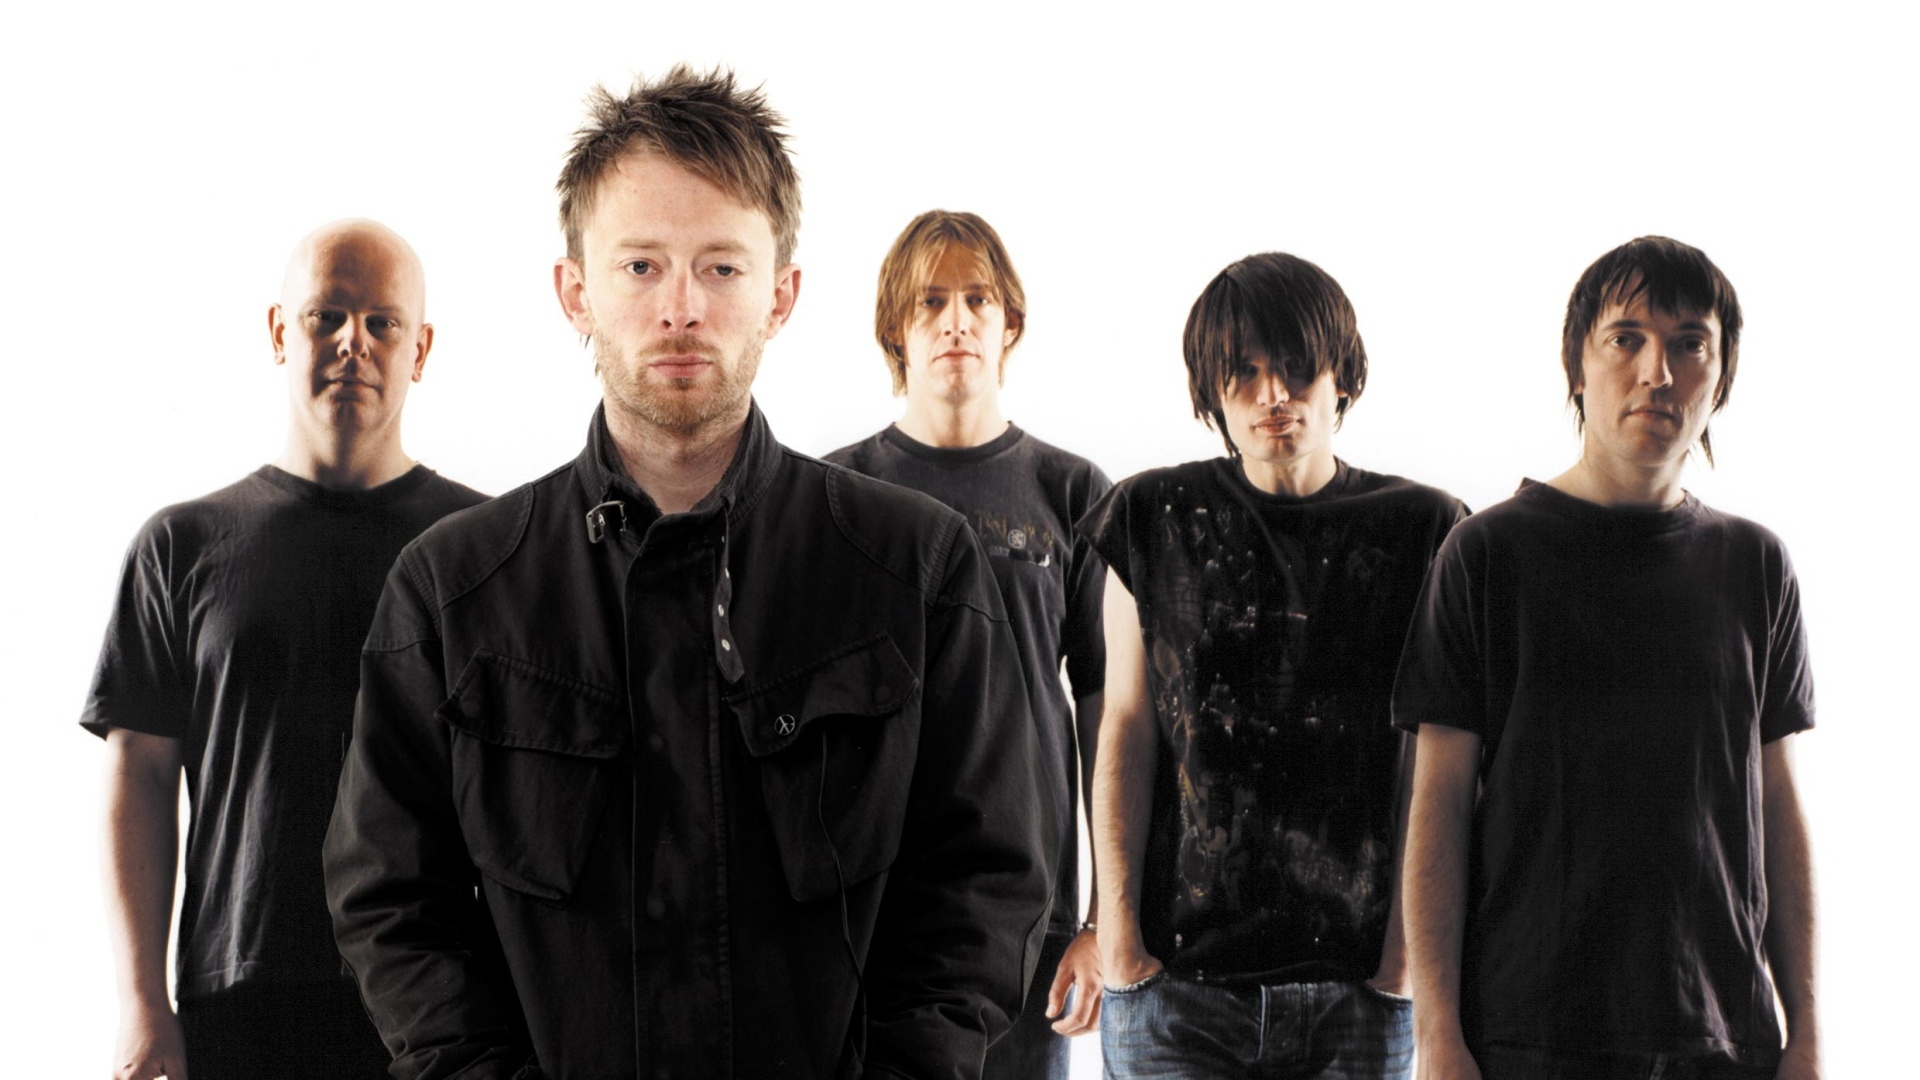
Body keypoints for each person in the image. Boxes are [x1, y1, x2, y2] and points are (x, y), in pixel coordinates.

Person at [323, 67, 1052, 1080]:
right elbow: (392, 900)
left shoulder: (916, 569)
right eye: (640, 266)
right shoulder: (451, 591)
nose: (680, 309)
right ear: (575, 291)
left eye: (721, 267)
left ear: (781, 295)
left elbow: (983, 884)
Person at [1396, 236, 1821, 1080]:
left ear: (1721, 377)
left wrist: (1806, 1029)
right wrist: (1436, 1035)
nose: (1657, 372)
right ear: (1578, 365)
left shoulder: (1756, 565)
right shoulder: (1486, 555)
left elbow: (1775, 805)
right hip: (1529, 1034)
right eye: (1626, 338)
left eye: (1690, 344)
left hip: (1722, 1037)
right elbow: (1437, 804)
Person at [86, 219, 485, 1080]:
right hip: (242, 1003)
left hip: (439, 1001)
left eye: (382, 323)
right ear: (279, 332)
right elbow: (140, 780)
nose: (353, 343)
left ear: (420, 349)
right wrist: (141, 1004)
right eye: (325, 317)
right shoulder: (180, 548)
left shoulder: (485, 550)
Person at [1084, 252, 1466, 1079]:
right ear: (1211, 390)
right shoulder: (1151, 517)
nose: (1272, 396)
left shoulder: (1425, 530)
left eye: (1296, 369)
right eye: (1245, 373)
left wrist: (1402, 959)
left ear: (1342, 377)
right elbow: (1126, 727)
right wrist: (1117, 939)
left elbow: (1431, 758)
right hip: (1177, 987)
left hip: (1356, 988)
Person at [826, 210, 1111, 1076]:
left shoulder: (1072, 492)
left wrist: (1102, 920)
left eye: (978, 299)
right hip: (875, 911)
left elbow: (1111, 714)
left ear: (1009, 323)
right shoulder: (838, 492)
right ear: (895, 329)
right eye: (930, 301)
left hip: (1029, 910)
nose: (956, 321)